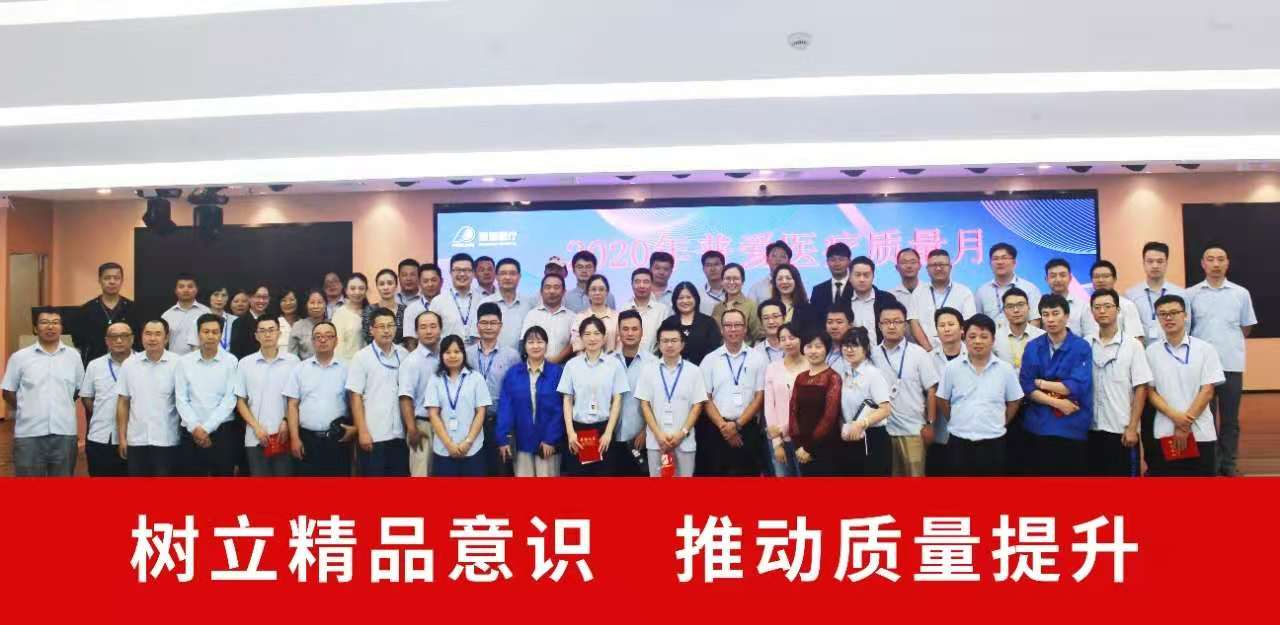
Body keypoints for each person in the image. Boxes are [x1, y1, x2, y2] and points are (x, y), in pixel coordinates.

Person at [1186, 244, 1256, 476]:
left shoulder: (1241, 293)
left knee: (1230, 420)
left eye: (1220, 259)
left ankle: (1229, 463)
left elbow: (1246, 327)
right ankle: (1211, 464)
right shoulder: (1191, 294)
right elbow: (1188, 329)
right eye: (1210, 259)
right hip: (1202, 369)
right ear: (1202, 264)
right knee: (1204, 419)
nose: (1216, 264)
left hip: (1231, 365)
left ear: (1227, 263)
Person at [935, 314, 1025, 476]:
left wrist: (1001, 421)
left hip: (993, 442)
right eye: (972, 336)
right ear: (964, 338)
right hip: (959, 442)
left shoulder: (1005, 369)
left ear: (993, 340)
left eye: (984, 336)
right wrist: (955, 419)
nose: (978, 341)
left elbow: (1014, 401)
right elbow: (942, 399)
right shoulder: (952, 368)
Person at [1146, 294, 1225, 477]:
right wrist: (1176, 417)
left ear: (1185, 315)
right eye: (1162, 314)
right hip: (1165, 432)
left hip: (1201, 432)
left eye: (1174, 312)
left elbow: (1207, 391)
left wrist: (1184, 424)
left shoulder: (1205, 349)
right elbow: (1150, 391)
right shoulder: (1151, 352)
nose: (1168, 318)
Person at [2, 308, 85, 477]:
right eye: (44, 322)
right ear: (35, 328)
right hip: (29, 434)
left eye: (55, 323)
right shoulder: (20, 357)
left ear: (61, 328)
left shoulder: (74, 356)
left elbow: (78, 389)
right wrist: (27, 407)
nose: (50, 327)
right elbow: (8, 391)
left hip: (64, 433)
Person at [1018, 293, 1094, 476]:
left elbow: (1075, 386)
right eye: (1045, 314)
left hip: (1071, 426)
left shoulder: (1081, 347)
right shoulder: (1033, 346)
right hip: (1038, 425)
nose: (1050, 319)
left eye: (1055, 313)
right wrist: (1058, 402)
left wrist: (1041, 382)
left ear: (1066, 316)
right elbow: (1027, 386)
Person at [1086, 289, 1151, 477]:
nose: (1102, 311)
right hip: (1090, 428)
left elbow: (1141, 388)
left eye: (1107, 306)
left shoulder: (1133, 345)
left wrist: (1133, 427)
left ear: (1118, 310)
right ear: (1092, 311)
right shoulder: (1085, 344)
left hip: (1121, 429)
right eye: (1097, 307)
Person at [871, 301, 940, 477]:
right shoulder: (872, 355)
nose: (891, 326)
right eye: (886, 322)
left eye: (897, 321)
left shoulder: (919, 353)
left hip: (914, 430)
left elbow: (932, 390)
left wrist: (930, 424)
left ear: (905, 325)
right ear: (879, 325)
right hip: (884, 431)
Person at [557, 316, 630, 476]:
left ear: (604, 337)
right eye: (587, 334)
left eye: (596, 333)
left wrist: (609, 433)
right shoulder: (572, 365)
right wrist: (570, 433)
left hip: (604, 430)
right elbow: (567, 399)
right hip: (578, 432)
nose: (592, 338)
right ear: (581, 337)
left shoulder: (614, 364)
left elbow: (617, 400)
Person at [699, 308, 767, 476]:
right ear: (722, 330)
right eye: (728, 325)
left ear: (745, 329)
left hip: (748, 428)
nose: (733, 329)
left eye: (738, 325)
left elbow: (759, 397)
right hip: (717, 429)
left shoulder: (758, 358)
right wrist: (724, 427)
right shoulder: (710, 359)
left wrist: (737, 425)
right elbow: (705, 398)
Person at [636, 320, 707, 477]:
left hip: (685, 442)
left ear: (682, 344)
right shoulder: (648, 370)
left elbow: (697, 406)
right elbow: (644, 405)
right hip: (656, 442)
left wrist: (682, 433)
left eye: (674, 340)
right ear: (659, 344)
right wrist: (658, 434)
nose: (669, 345)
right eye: (665, 341)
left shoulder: (694, 371)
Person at [346, 308, 413, 476]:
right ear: (371, 330)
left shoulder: (404, 354)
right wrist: (362, 431)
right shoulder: (361, 357)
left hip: (399, 435)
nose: (386, 330)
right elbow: (355, 397)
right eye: (381, 326)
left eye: (390, 325)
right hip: (373, 435)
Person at [284, 320, 354, 477]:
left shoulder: (348, 368)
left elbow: (356, 403)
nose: (323, 340)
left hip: (338, 439)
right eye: (318, 336)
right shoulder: (299, 369)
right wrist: (294, 438)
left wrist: (356, 428)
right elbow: (292, 405)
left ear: (336, 340)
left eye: (328, 336)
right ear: (312, 341)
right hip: (307, 440)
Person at [175, 313, 240, 476]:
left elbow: (230, 399)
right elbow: (181, 399)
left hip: (222, 429)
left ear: (221, 334)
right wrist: (196, 427)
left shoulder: (231, 361)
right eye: (206, 332)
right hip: (191, 429)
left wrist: (207, 428)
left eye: (215, 332)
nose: (210, 336)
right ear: (198, 334)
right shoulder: (184, 362)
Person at [496, 326, 566, 477]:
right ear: (524, 346)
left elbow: (561, 409)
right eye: (531, 342)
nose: (535, 346)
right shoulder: (513, 373)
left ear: (546, 345)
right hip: (521, 441)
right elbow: (505, 408)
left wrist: (550, 439)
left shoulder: (557, 373)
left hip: (548, 443)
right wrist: (503, 438)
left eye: (540, 342)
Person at [235, 316, 301, 477]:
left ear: (279, 333)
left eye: (271, 330)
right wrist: (256, 428)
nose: (267, 334)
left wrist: (287, 422)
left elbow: (297, 399)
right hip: (255, 437)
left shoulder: (293, 362)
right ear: (256, 336)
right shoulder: (245, 363)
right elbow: (240, 401)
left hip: (284, 435)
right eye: (262, 331)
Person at [116, 319, 182, 476]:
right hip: (136, 439)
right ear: (141, 336)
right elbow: (123, 402)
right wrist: (122, 438)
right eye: (148, 334)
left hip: (167, 439)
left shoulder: (178, 363)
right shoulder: (129, 364)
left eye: (158, 334)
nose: (152, 338)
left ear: (166, 338)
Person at [992, 286, 1045, 475]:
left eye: (1020, 305)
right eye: (1010, 306)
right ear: (1004, 311)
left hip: (1036, 405)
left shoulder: (1042, 337)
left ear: (1029, 307)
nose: (1016, 310)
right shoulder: (994, 338)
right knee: (1008, 460)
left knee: (1035, 460)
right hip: (1005, 405)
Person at [425, 335, 493, 476]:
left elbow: (481, 412)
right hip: (444, 449)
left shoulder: (476, 378)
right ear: (441, 355)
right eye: (447, 352)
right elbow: (433, 414)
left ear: (463, 353)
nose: (452, 356)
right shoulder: (435, 379)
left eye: (457, 351)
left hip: (472, 449)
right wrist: (449, 444)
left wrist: (468, 442)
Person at [467, 302, 521, 476]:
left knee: (501, 470)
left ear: (500, 326)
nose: (488, 327)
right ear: (477, 326)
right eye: (484, 323)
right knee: (476, 471)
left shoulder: (512, 356)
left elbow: (516, 393)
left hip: (500, 421)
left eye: (493, 323)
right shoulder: (467, 354)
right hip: (472, 421)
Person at [836, 327, 893, 476]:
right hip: (850, 436)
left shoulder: (873, 374)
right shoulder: (844, 374)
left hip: (873, 437)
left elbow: (885, 409)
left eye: (855, 345)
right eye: (846, 345)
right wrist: (843, 427)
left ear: (866, 348)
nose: (849, 350)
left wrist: (862, 424)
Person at [79, 321, 134, 476]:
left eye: (124, 336)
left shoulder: (142, 363)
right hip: (101, 436)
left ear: (132, 339)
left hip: (135, 438)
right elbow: (87, 397)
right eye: (113, 336)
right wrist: (103, 412)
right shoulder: (94, 365)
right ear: (106, 341)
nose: (119, 340)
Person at [788, 330, 843, 476]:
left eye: (818, 347)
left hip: (825, 446)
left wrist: (808, 447)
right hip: (800, 447)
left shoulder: (833, 377)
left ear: (826, 349)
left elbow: (829, 417)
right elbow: (793, 410)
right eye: (809, 346)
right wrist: (798, 444)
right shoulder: (800, 377)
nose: (813, 351)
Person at [609, 309, 657, 476]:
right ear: (619, 332)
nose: (630, 333)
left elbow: (657, 402)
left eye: (635, 329)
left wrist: (646, 430)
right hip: (610, 437)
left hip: (639, 438)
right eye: (625, 329)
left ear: (642, 332)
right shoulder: (608, 361)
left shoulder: (653, 363)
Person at [398, 310, 443, 477]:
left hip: (446, 425)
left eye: (433, 326)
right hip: (423, 426)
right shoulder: (411, 362)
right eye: (423, 327)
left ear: (441, 329)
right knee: (421, 473)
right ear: (416, 332)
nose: (429, 331)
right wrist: (412, 429)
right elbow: (405, 397)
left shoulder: (446, 356)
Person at [925, 307, 967, 476]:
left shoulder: (974, 355)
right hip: (938, 431)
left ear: (962, 329)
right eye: (941, 325)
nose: (946, 329)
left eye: (951, 324)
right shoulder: (927, 358)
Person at [74, 261, 141, 366]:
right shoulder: (86, 310)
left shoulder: (134, 309)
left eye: (116, 278)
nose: (112, 282)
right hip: (96, 365)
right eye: (107, 278)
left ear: (122, 280)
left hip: (129, 365)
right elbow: (79, 342)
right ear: (99, 280)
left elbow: (139, 341)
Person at [1126, 241, 1191, 346]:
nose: (1155, 266)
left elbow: (1186, 325)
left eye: (1160, 261)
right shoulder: (1131, 294)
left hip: (1173, 350)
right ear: (1143, 263)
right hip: (1141, 351)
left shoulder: (1180, 293)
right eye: (1150, 261)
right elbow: (1129, 327)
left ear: (1166, 263)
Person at [762, 322, 806, 476]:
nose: (788, 342)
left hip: (804, 439)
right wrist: (776, 442)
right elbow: (769, 406)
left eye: (792, 337)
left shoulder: (811, 366)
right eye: (783, 339)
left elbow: (808, 408)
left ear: (801, 339)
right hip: (779, 440)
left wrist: (782, 429)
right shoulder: (772, 368)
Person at [917, 249, 977, 348]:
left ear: (950, 267)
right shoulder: (918, 292)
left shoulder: (964, 292)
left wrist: (955, 349)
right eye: (933, 265)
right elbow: (914, 323)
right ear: (927, 269)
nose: (938, 268)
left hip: (957, 350)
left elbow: (969, 323)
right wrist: (929, 350)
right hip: (926, 351)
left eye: (942, 265)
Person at [975, 243, 1043, 326]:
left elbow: (1035, 320)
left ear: (1014, 262)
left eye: (1004, 258)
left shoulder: (1030, 289)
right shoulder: (982, 291)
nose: (1000, 262)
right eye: (995, 259)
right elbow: (977, 322)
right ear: (990, 263)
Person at [847, 255, 907, 344]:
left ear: (873, 276)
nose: (862, 279)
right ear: (850, 277)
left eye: (866, 275)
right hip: (851, 350)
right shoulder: (843, 301)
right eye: (857, 275)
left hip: (883, 351)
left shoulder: (887, 299)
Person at [521, 273, 575, 364]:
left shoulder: (572, 317)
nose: (552, 291)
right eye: (547, 287)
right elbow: (524, 342)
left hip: (562, 368)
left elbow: (573, 344)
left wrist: (555, 361)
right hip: (535, 367)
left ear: (564, 291)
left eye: (556, 287)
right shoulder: (531, 315)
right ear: (541, 291)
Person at [667, 281, 723, 366]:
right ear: (675, 301)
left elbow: (715, 351)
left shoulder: (709, 323)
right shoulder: (668, 323)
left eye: (689, 297)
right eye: (681, 298)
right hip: (673, 371)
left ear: (696, 299)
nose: (685, 301)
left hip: (703, 371)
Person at [485, 257, 534, 351]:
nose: (507, 277)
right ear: (496, 276)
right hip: (491, 358)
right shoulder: (486, 303)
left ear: (519, 276)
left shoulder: (528, 304)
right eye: (503, 273)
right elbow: (477, 337)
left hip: (521, 359)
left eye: (512, 273)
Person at [434, 253, 484, 344]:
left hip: (477, 352)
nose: (462, 274)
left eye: (467, 270)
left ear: (473, 273)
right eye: (457, 270)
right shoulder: (438, 302)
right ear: (450, 273)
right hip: (447, 352)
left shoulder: (483, 300)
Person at [1087, 261, 1144, 340]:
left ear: (1114, 279)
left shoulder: (1127, 305)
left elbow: (1136, 337)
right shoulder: (1086, 306)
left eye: (1106, 276)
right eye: (1096, 277)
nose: (1100, 280)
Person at [888, 248, 935, 346]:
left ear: (920, 265)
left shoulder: (932, 291)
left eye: (913, 262)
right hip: (902, 349)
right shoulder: (890, 296)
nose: (909, 266)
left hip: (932, 347)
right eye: (904, 262)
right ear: (897, 267)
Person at [622, 267, 670, 355]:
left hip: (654, 360)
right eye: (637, 282)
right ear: (632, 284)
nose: (641, 285)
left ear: (652, 284)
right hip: (627, 359)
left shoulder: (662, 310)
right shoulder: (624, 309)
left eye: (646, 282)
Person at [711, 263, 762, 343]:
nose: (731, 282)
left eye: (736, 278)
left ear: (743, 281)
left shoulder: (751, 306)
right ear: (722, 281)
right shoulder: (717, 308)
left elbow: (759, 336)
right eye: (727, 278)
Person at [162, 273, 210, 356]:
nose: (186, 290)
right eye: (181, 287)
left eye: (190, 286)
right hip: (175, 360)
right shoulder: (167, 315)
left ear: (196, 290)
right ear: (176, 291)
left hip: (200, 360)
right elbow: (162, 342)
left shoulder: (206, 312)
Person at [569, 274, 619, 353]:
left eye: (601, 289)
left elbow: (620, 343)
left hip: (613, 360)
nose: (597, 293)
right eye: (593, 289)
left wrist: (610, 359)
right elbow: (576, 344)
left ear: (607, 292)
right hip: (584, 360)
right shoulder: (580, 317)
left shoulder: (617, 317)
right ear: (587, 293)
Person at [400, 262, 441, 350]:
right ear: (419, 283)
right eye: (425, 281)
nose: (430, 284)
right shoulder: (411, 309)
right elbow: (410, 342)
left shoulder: (450, 305)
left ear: (441, 281)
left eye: (434, 280)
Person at [1044, 258, 1089, 335]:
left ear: (1070, 278)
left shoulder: (1083, 306)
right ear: (1046, 279)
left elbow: (1090, 335)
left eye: (1062, 275)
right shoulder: (1040, 305)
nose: (1058, 280)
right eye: (1053, 276)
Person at [809, 242, 853, 321]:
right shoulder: (818, 290)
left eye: (841, 259)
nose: (837, 263)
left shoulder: (857, 287)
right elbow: (813, 319)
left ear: (849, 261)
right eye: (832, 260)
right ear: (827, 262)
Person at [332, 273, 370, 362]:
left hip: (368, 363)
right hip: (347, 363)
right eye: (352, 288)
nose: (357, 292)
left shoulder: (370, 311)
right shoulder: (340, 313)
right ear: (346, 290)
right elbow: (337, 346)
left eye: (361, 288)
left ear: (366, 290)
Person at [187, 284, 234, 354]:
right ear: (209, 297)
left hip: (230, 359)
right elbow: (195, 348)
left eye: (223, 295)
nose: (219, 299)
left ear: (228, 298)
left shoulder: (235, 320)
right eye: (216, 295)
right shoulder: (198, 320)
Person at [230, 284, 273, 359]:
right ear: (249, 298)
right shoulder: (239, 323)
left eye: (265, 297)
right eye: (258, 297)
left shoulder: (274, 320)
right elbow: (236, 353)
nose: (261, 301)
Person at [364, 269, 403, 345]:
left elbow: (409, 340)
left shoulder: (405, 310)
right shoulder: (369, 310)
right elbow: (368, 337)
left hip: (401, 352)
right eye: (381, 284)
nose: (386, 288)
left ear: (396, 285)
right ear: (377, 286)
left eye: (390, 283)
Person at [288, 290, 327, 361]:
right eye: (312, 303)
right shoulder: (298, 326)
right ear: (306, 305)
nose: (316, 306)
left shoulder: (332, 324)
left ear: (325, 304)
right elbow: (291, 356)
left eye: (320, 302)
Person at [771, 264, 811, 330]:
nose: (784, 282)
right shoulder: (769, 307)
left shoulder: (807, 309)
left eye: (788, 278)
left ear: (796, 281)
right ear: (775, 283)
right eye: (780, 279)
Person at [754, 299, 788, 363]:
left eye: (775, 316)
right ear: (761, 322)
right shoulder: (755, 352)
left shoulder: (795, 346)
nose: (771, 322)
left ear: (784, 318)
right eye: (766, 318)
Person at [699, 250, 727, 315]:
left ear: (724, 267)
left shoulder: (732, 292)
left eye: (716, 264)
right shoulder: (698, 295)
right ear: (703, 269)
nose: (713, 269)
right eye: (708, 265)